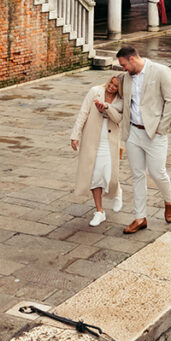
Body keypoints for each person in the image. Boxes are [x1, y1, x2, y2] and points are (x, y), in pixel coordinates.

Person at [115, 45, 171, 234]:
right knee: (137, 175)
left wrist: (161, 128)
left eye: (124, 64)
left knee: (157, 173)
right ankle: (140, 217)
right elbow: (117, 96)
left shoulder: (160, 71)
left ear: (132, 59)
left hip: (154, 133)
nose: (123, 68)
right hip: (133, 132)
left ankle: (169, 200)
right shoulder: (125, 78)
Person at [70, 74, 124, 227]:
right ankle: (99, 211)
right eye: (111, 83)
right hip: (92, 138)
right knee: (94, 175)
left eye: (115, 86)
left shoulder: (121, 100)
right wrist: (75, 135)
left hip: (110, 140)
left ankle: (117, 190)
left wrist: (107, 108)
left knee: (110, 174)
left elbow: (119, 119)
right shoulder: (95, 91)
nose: (111, 87)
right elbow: (83, 113)